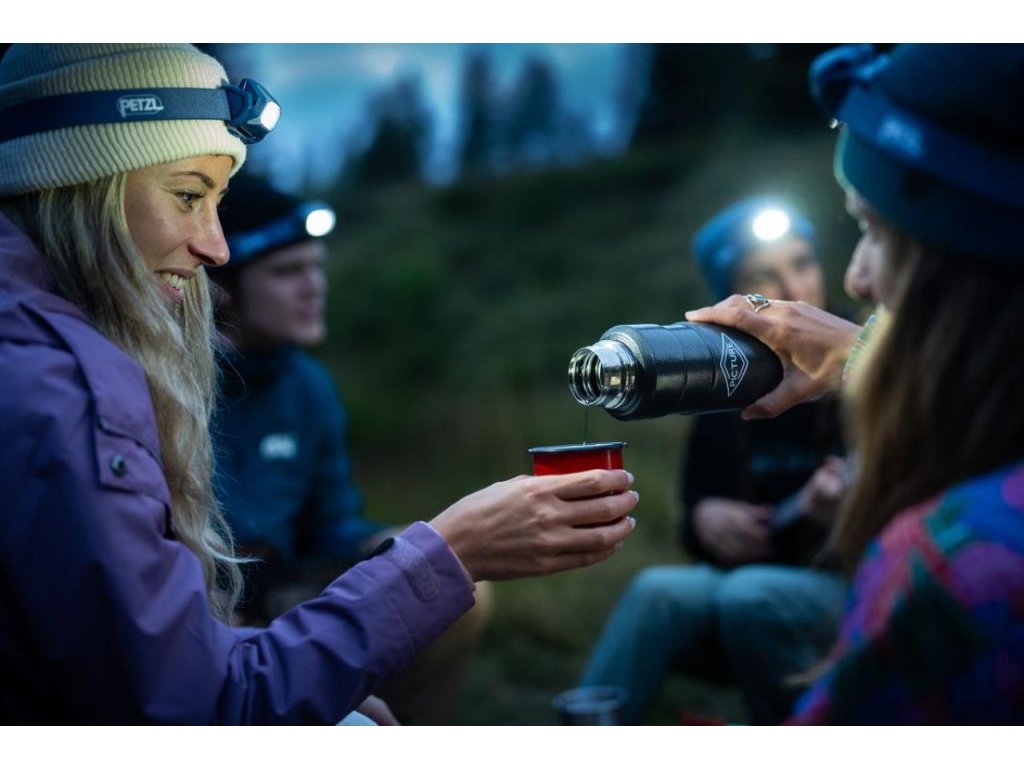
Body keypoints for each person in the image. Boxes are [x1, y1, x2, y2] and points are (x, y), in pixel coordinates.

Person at [0, 43, 638, 724]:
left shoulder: (297, 387)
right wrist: (450, 552)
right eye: (187, 196)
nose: (214, 247)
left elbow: (315, 534)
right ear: (83, 188)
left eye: (217, 204)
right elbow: (202, 705)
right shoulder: (72, 385)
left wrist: (400, 545)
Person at [686, 44, 1024, 723]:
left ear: (958, 253)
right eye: (763, 275)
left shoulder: (952, 563)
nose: (854, 279)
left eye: (872, 230)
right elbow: (699, 502)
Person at [209, 173, 493, 724]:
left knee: (454, 583)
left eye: (316, 267)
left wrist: (390, 542)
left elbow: (330, 525)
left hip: (281, 589)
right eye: (288, 272)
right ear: (223, 282)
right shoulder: (170, 380)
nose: (314, 286)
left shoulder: (307, 387)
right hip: (201, 609)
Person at [578, 199, 848, 724]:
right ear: (732, 300)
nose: (793, 289)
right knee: (657, 591)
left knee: (749, 596)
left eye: (802, 263)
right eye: (763, 277)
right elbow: (695, 507)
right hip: (748, 579)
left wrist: (847, 509)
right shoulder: (721, 376)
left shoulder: (860, 357)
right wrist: (704, 520)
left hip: (851, 579)